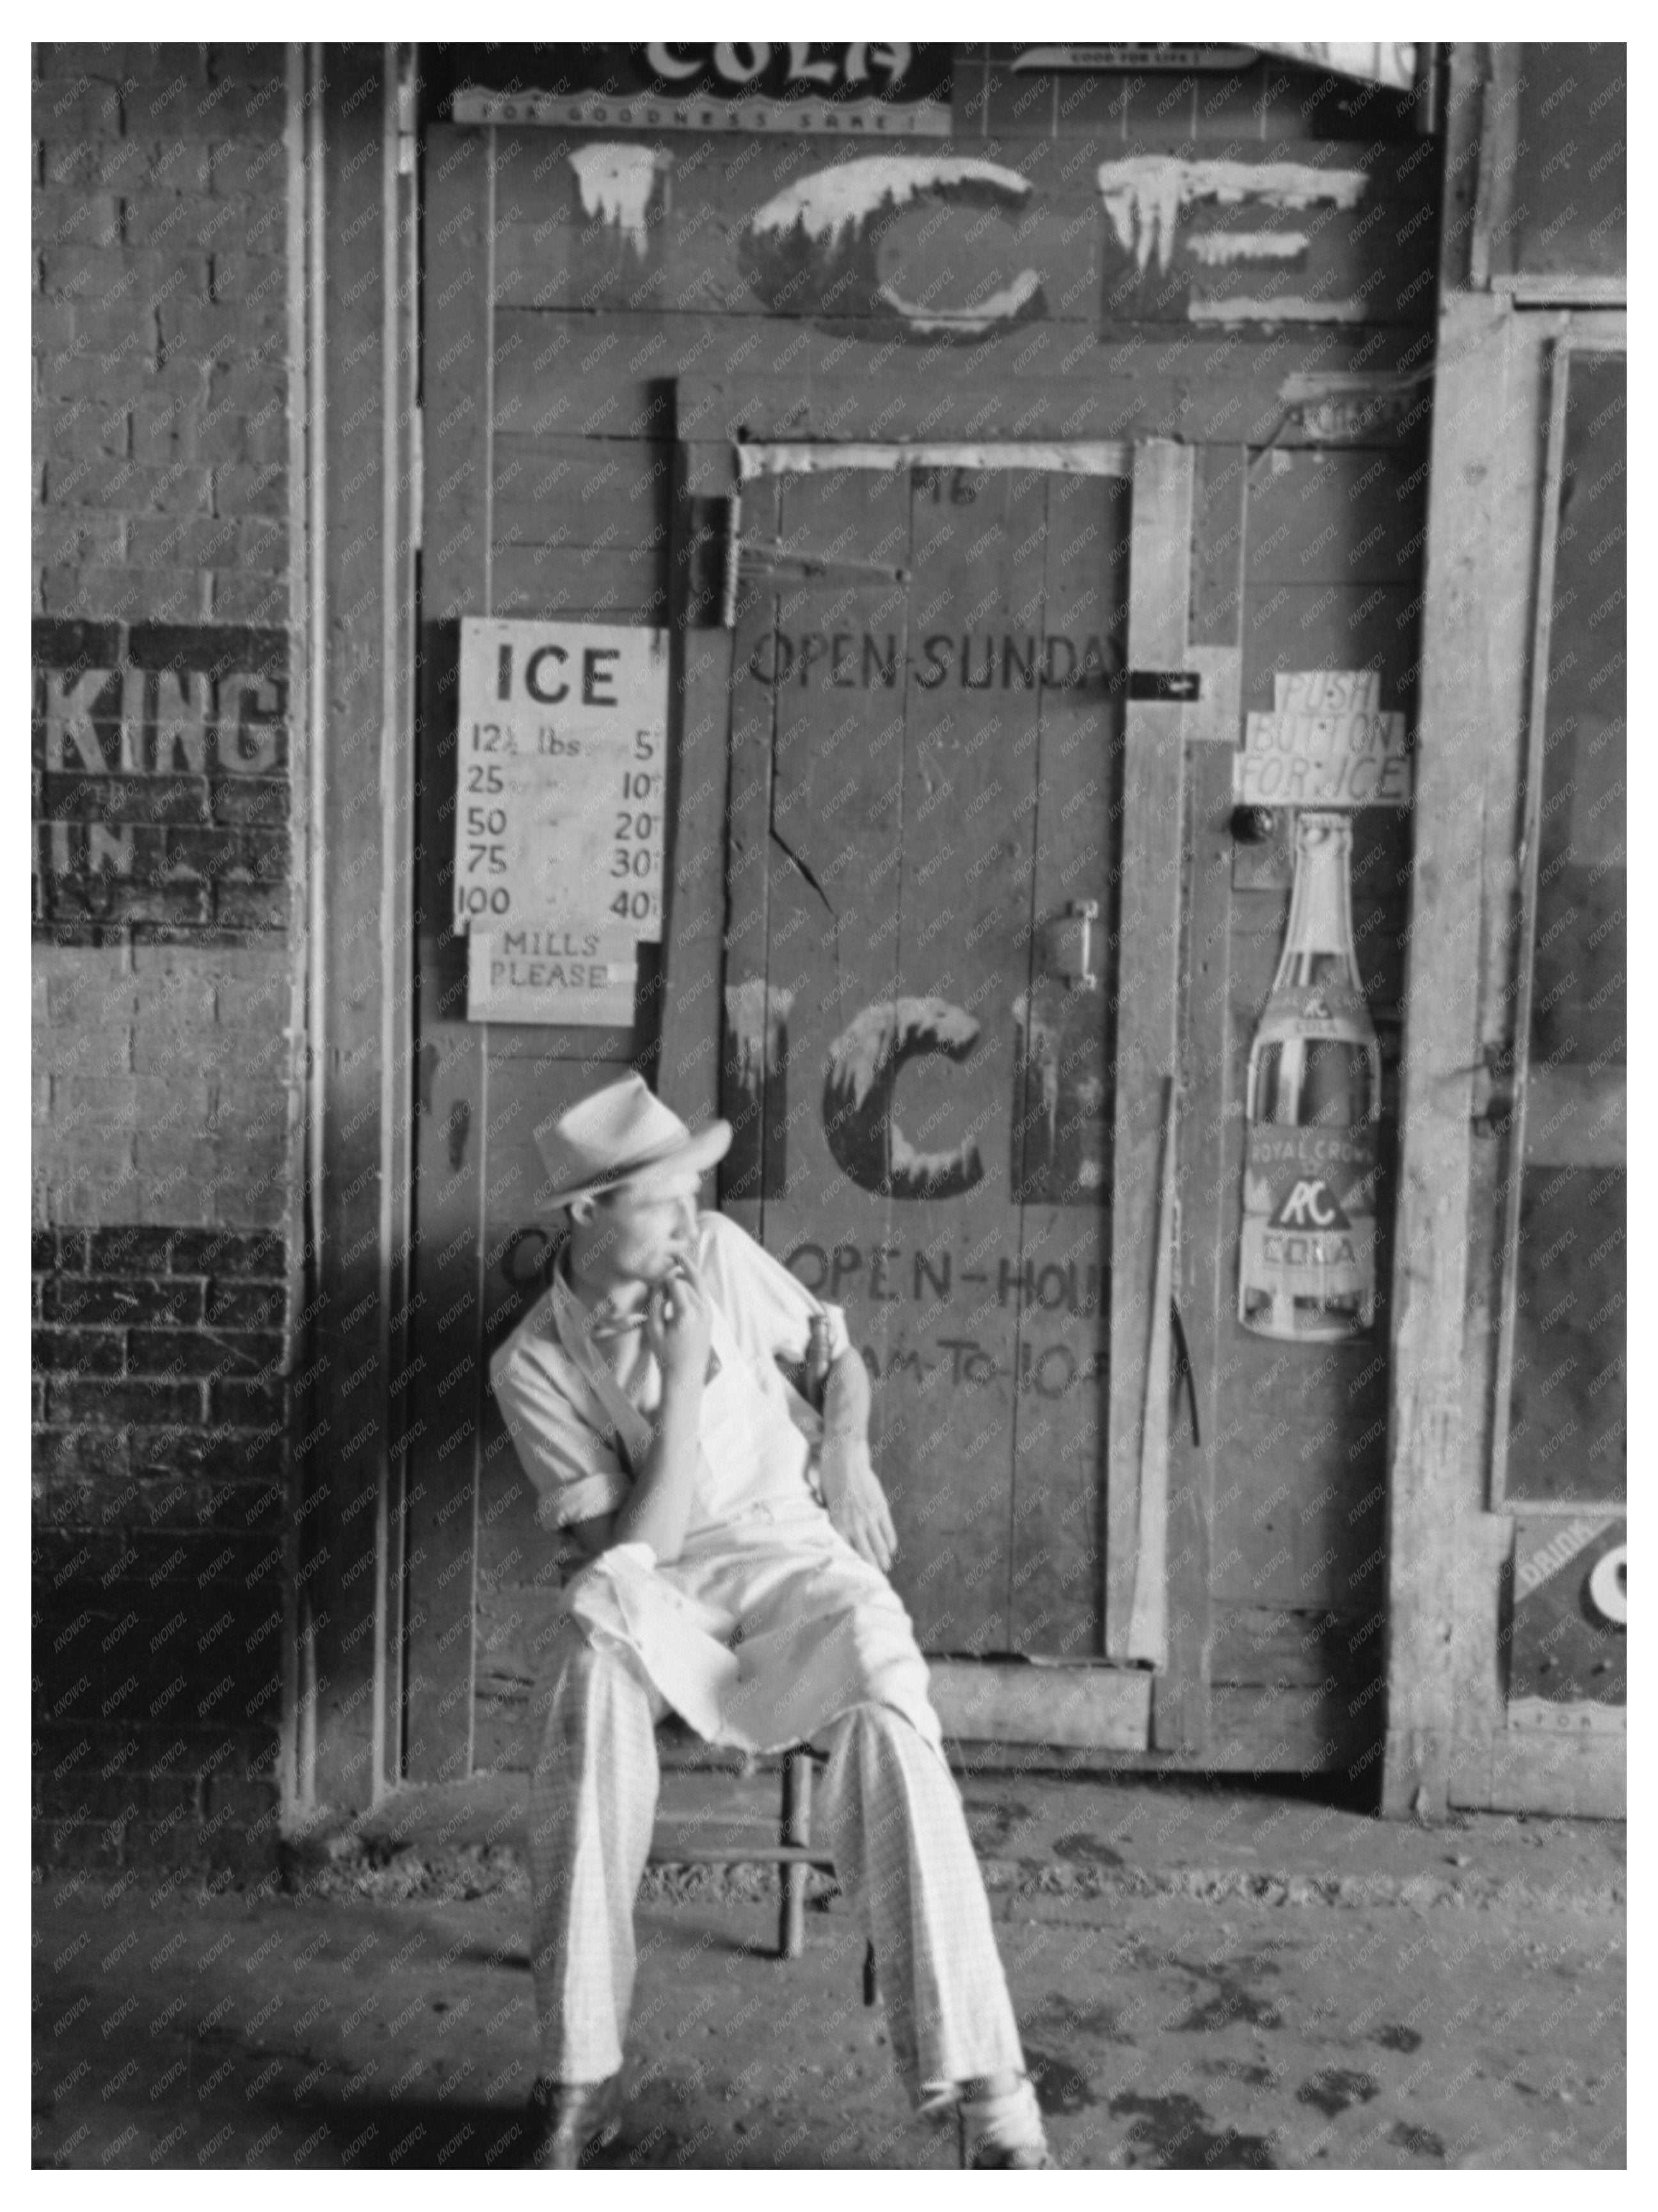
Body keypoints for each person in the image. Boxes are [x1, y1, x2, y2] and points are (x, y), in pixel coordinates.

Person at [490, 1073, 1055, 2170]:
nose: (689, 1219)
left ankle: (989, 2099)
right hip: (666, 1582)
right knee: (589, 1689)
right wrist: (689, 1376)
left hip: (791, 1550)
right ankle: (579, 2073)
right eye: (661, 1202)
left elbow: (840, 1361)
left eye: (692, 1192)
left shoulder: (719, 1259)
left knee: (890, 1710)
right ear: (585, 1216)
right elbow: (631, 1553)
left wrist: (844, 1446)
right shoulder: (534, 1366)